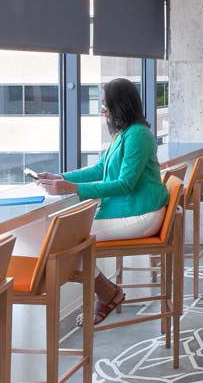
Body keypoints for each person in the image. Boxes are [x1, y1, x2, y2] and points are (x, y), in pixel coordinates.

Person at [37, 78, 169, 324]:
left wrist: (72, 188)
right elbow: (100, 170)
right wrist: (60, 177)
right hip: (130, 209)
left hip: (142, 214)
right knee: (64, 238)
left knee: (65, 239)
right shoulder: (122, 134)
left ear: (121, 105)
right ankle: (107, 292)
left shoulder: (138, 136)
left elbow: (124, 184)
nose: (103, 111)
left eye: (106, 105)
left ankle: (107, 293)